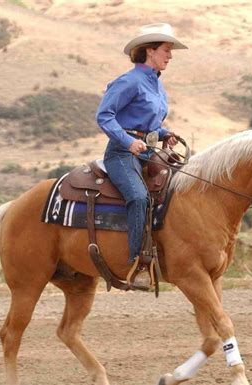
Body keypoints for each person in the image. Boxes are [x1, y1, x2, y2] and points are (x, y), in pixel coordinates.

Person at [96, 23, 187, 286]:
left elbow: (148, 125)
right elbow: (104, 115)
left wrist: (164, 133)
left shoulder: (158, 86)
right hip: (121, 154)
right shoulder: (129, 81)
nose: (170, 56)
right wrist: (127, 142)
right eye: (166, 50)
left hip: (147, 151)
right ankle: (138, 265)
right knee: (138, 197)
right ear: (150, 51)